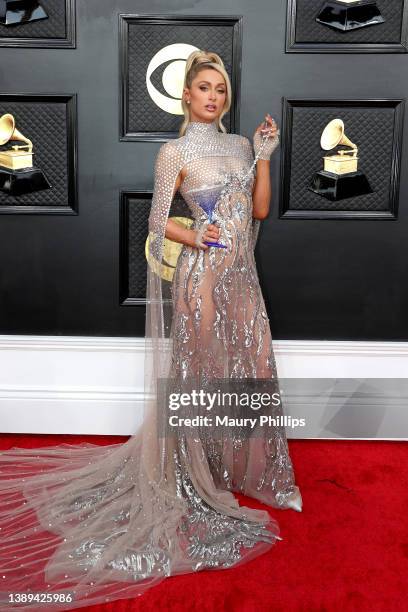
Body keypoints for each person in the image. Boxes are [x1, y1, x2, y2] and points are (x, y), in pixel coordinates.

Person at [0, 50, 301, 611]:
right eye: (204, 88)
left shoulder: (239, 146)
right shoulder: (174, 152)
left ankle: (234, 466)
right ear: (186, 96)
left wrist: (264, 156)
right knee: (200, 369)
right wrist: (195, 239)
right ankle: (189, 474)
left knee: (249, 366)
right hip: (202, 278)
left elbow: (259, 212)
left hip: (243, 277)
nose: (213, 97)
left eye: (221, 89)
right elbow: (159, 219)